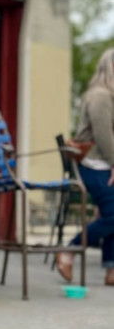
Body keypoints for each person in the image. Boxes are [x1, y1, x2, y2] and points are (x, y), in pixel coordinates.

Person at [56, 47, 114, 287]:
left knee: (112, 211)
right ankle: (69, 250)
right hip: (94, 165)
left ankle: (111, 269)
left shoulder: (107, 95)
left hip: (103, 164)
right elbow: (103, 135)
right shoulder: (100, 95)